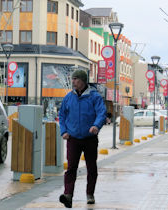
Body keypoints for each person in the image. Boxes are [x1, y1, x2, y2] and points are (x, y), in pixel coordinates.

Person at [58, 69, 107, 208]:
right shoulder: (69, 97)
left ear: (83, 81)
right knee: (71, 168)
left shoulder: (94, 96)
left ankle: (90, 194)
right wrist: (64, 131)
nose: (73, 82)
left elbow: (101, 113)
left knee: (91, 168)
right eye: (72, 79)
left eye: (76, 79)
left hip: (90, 138)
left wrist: (96, 126)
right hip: (73, 138)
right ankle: (68, 195)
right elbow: (62, 115)